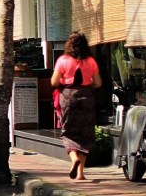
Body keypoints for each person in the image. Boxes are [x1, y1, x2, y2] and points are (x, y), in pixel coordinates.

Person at [50, 31, 102, 181]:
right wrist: (87, 84)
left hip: (68, 97)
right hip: (87, 98)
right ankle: (80, 173)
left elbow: (54, 82)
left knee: (68, 132)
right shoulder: (91, 61)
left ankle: (74, 159)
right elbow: (98, 83)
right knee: (86, 133)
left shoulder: (63, 60)